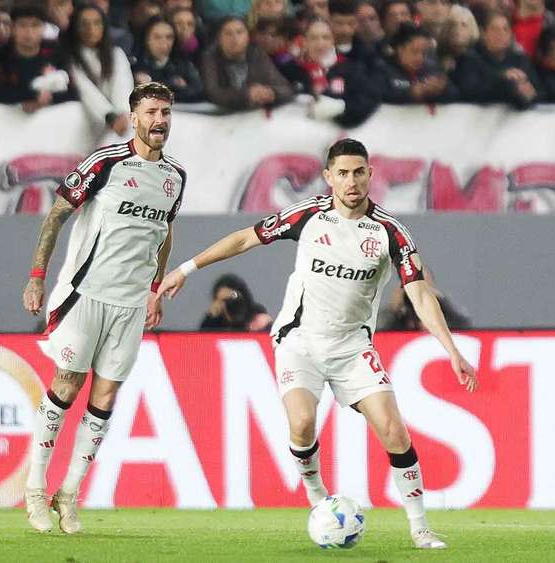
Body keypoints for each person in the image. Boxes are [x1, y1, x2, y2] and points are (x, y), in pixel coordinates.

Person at [157, 138, 478, 550]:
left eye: (359, 172)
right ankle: (316, 495)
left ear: (370, 175)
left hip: (352, 349)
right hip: (300, 341)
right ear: (328, 177)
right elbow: (244, 239)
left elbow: (418, 293)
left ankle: (420, 527)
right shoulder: (308, 215)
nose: (351, 181)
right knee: (303, 424)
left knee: (394, 432)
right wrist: (186, 268)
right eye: (342, 173)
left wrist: (451, 350)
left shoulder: (390, 233)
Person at [21, 82, 186, 534]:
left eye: (166, 113)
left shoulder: (175, 177)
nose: (160, 120)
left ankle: (69, 494)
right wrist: (37, 276)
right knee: (68, 384)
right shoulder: (106, 163)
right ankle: (35, 487)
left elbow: (164, 231)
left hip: (131, 303)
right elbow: (56, 215)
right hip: (85, 294)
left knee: (106, 396)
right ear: (133, 117)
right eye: (152, 111)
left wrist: (154, 287)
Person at [62, 3, 134, 136]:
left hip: (121, 122)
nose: (91, 29)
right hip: (90, 125)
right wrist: (110, 116)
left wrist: (122, 113)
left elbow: (123, 84)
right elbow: (85, 89)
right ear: (75, 27)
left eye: (97, 23)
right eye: (84, 24)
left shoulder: (116, 53)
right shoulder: (69, 58)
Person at [294, 18, 381, 126]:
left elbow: (369, 99)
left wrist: (342, 107)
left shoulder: (351, 68)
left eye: (325, 37)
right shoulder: (293, 69)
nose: (320, 43)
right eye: (313, 38)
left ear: (333, 40)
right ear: (305, 41)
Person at [0, 5, 75, 112]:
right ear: (12, 28)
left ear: (44, 28)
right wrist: (32, 96)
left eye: (35, 25)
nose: (29, 32)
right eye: (22, 25)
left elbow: (72, 91)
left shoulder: (56, 53)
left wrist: (50, 97)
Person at [201, 16, 293, 110]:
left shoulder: (257, 54)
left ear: (248, 36)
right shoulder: (210, 57)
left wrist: (271, 93)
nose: (235, 38)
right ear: (219, 38)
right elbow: (213, 93)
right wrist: (247, 95)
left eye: (239, 32)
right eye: (228, 33)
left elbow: (286, 88)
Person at [453, 9, 541, 108]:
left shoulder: (520, 59)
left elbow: (539, 91)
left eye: (505, 29)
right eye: (495, 29)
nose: (501, 34)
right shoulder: (469, 59)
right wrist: (503, 80)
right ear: (483, 33)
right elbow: (470, 91)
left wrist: (528, 93)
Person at [380, 22, 458, 103]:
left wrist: (443, 89)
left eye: (424, 53)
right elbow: (379, 95)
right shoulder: (383, 69)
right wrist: (412, 93)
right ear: (400, 49)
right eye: (415, 51)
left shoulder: (432, 68)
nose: (420, 58)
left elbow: (454, 94)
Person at [132, 16, 204, 103]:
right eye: (157, 37)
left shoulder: (183, 64)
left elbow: (198, 91)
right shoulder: (135, 65)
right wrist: (174, 86)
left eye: (169, 37)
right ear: (147, 39)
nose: (164, 42)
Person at [199, 273, 273, 331]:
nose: (229, 304)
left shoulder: (260, 322)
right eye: (222, 301)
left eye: (231, 299)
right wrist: (210, 319)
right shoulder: (215, 326)